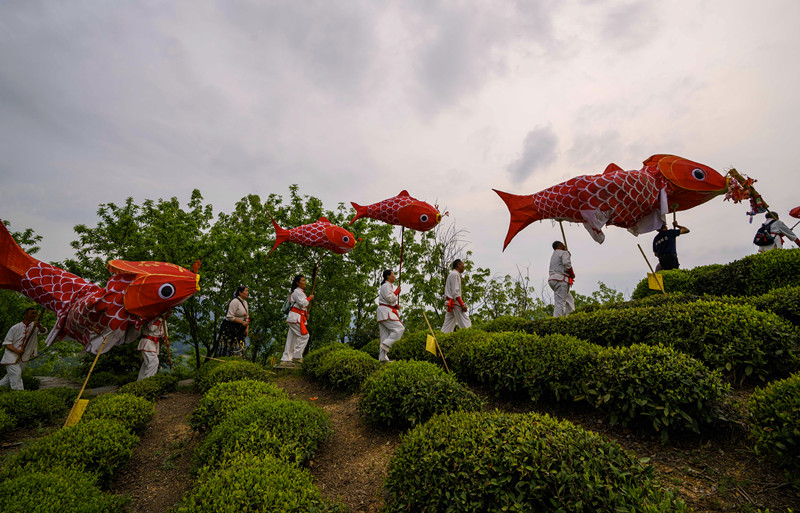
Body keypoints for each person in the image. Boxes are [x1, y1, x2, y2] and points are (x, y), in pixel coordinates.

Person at [0, 308, 47, 391]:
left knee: (9, 377)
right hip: (11, 357)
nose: (34, 315)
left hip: (24, 357)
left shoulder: (34, 327)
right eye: (32, 313)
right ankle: (20, 395)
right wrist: (17, 351)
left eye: (35, 313)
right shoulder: (15, 328)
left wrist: (39, 325)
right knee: (17, 375)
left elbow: (44, 332)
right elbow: (7, 343)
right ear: (25, 315)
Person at [279, 275, 313, 367]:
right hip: (295, 318)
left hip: (297, 317)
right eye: (303, 280)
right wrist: (309, 298)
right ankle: (297, 355)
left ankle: (285, 359)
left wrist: (306, 314)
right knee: (305, 336)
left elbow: (301, 307)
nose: (305, 282)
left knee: (292, 339)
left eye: (305, 280)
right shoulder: (297, 292)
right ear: (297, 282)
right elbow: (302, 303)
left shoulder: (300, 292)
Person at [377, 269, 405, 363]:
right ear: (388, 276)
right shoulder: (386, 285)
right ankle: (386, 344)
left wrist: (394, 305)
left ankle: (382, 359)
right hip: (386, 312)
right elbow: (389, 298)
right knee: (400, 329)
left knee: (385, 335)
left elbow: (387, 299)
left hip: (384, 311)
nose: (394, 276)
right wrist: (397, 291)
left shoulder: (387, 286)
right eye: (393, 274)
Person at [215, 286, 250, 358]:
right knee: (229, 347)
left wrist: (247, 328)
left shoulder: (245, 303)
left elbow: (247, 317)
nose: (247, 293)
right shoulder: (234, 302)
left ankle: (238, 360)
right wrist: (242, 322)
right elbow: (229, 317)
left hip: (240, 329)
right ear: (240, 292)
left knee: (239, 347)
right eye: (246, 291)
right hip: (230, 328)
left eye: (247, 291)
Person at [137, 310, 170, 381]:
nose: (169, 315)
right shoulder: (152, 318)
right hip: (148, 342)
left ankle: (140, 381)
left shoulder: (164, 322)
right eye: (168, 313)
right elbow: (151, 328)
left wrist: (166, 340)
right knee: (154, 362)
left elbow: (165, 333)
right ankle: (147, 382)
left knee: (146, 364)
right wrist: (160, 319)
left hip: (155, 344)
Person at [441, 259, 472, 333]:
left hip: (451, 301)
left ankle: (442, 337)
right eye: (462, 265)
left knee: (448, 322)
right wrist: (462, 304)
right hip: (454, 302)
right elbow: (455, 292)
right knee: (465, 321)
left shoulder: (453, 274)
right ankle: (470, 337)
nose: (463, 267)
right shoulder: (455, 274)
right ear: (458, 265)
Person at [548, 241, 575, 318]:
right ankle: (557, 321)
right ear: (560, 245)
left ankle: (570, 317)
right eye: (563, 245)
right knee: (560, 302)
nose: (565, 246)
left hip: (553, 279)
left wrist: (568, 255)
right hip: (560, 280)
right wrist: (572, 274)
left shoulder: (554, 255)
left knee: (569, 300)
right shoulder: (563, 253)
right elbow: (567, 264)